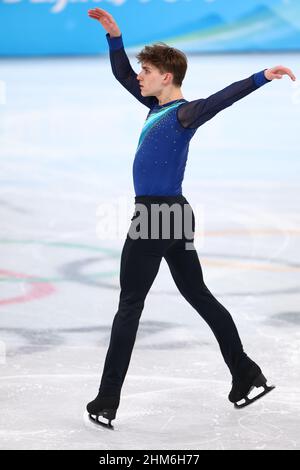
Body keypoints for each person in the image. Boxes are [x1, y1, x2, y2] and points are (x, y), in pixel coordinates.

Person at [86, 7, 296, 428]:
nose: (139, 76)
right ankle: (246, 375)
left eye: (147, 71)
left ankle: (107, 400)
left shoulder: (184, 112)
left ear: (167, 76)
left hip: (155, 216)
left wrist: (261, 77)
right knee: (197, 294)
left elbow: (222, 98)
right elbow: (121, 76)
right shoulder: (153, 106)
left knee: (129, 306)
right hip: (175, 213)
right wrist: (114, 36)